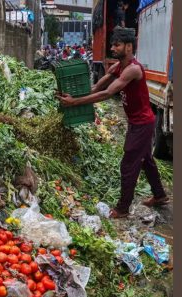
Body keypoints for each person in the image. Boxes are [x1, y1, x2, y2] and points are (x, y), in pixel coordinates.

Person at [56, 27, 169, 218]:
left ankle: (122, 209)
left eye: (117, 45)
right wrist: (73, 96)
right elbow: (98, 87)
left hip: (143, 124)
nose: (112, 48)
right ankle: (159, 195)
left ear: (128, 46)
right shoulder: (118, 66)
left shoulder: (133, 69)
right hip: (136, 122)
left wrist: (75, 102)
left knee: (128, 164)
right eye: (113, 44)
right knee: (146, 160)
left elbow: (108, 93)